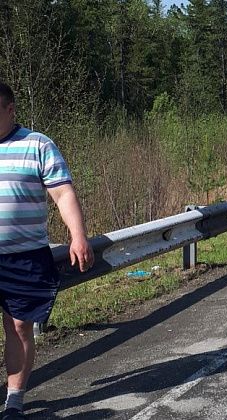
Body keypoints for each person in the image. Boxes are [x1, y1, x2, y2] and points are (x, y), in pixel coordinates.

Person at [0, 82, 94, 418]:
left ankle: (14, 398)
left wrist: (78, 236)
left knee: (20, 327)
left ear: (10, 110)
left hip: (24, 255)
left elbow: (63, 194)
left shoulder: (37, 144)